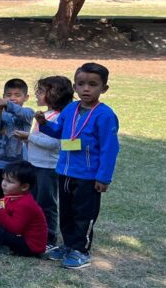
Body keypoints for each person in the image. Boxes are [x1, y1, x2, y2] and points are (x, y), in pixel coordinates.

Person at [35, 63, 120, 269]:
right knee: (66, 212)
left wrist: (103, 177)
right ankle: (68, 245)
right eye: (81, 84)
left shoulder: (105, 115)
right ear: (74, 87)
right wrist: (44, 124)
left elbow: (109, 149)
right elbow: (59, 132)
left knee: (84, 214)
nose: (86, 89)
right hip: (65, 171)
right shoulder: (70, 109)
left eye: (93, 84)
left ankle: (81, 250)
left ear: (104, 88)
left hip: (88, 176)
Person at [16, 75, 73, 251]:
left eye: (41, 91)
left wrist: (29, 137)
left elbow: (54, 143)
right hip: (34, 164)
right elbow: (38, 140)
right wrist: (27, 140)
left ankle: (49, 238)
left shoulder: (58, 117)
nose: (37, 95)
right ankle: (33, 233)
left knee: (46, 203)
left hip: (47, 168)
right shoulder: (44, 115)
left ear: (54, 94)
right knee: (33, 201)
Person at [0, 79, 33, 200]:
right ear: (3, 96)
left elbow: (21, 113)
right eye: (8, 95)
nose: (12, 98)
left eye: (17, 95)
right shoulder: (3, 113)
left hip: (17, 164)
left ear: (26, 97)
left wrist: (7, 103)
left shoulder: (28, 112)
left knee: (14, 197)